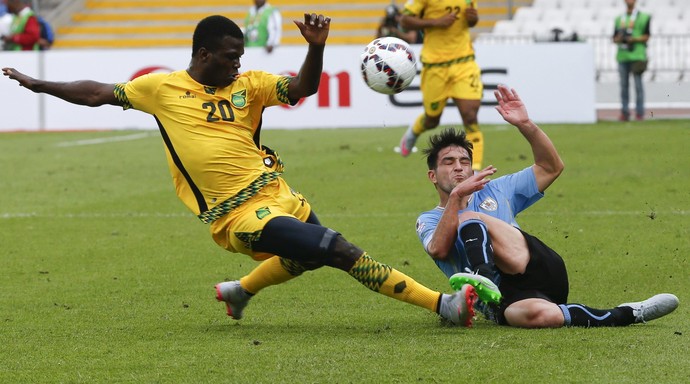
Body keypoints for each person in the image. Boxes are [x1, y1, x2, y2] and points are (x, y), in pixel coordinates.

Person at [2, 13, 481, 327]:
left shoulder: (249, 85)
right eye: (231, 56)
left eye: (241, 57)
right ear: (203, 54)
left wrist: (315, 48)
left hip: (277, 193)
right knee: (335, 248)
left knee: (308, 255)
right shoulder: (161, 89)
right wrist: (37, 83)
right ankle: (445, 305)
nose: (238, 64)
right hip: (237, 218)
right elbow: (95, 91)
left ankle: (238, 291)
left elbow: (301, 88)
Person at [414, 84, 679, 328]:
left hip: (536, 265)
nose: (459, 167)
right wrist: (456, 199)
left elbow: (551, 168)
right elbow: (438, 248)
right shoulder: (427, 219)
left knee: (468, 216)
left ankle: (480, 276)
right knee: (540, 316)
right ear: (432, 176)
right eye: (449, 162)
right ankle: (630, 313)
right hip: (508, 298)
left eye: (464, 161)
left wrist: (526, 125)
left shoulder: (496, 189)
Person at [397, 0, 485, 173]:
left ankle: (474, 171)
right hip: (434, 65)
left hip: (464, 62)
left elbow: (471, 21)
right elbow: (404, 21)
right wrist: (436, 22)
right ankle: (414, 132)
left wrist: (473, 18)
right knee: (432, 119)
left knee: (470, 116)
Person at [613, 0, 651, 121]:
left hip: (638, 56)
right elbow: (614, 38)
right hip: (622, 56)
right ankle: (625, 113)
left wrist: (632, 39)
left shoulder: (644, 17)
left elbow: (647, 36)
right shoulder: (619, 19)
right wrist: (619, 38)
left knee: (638, 86)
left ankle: (639, 113)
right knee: (624, 86)